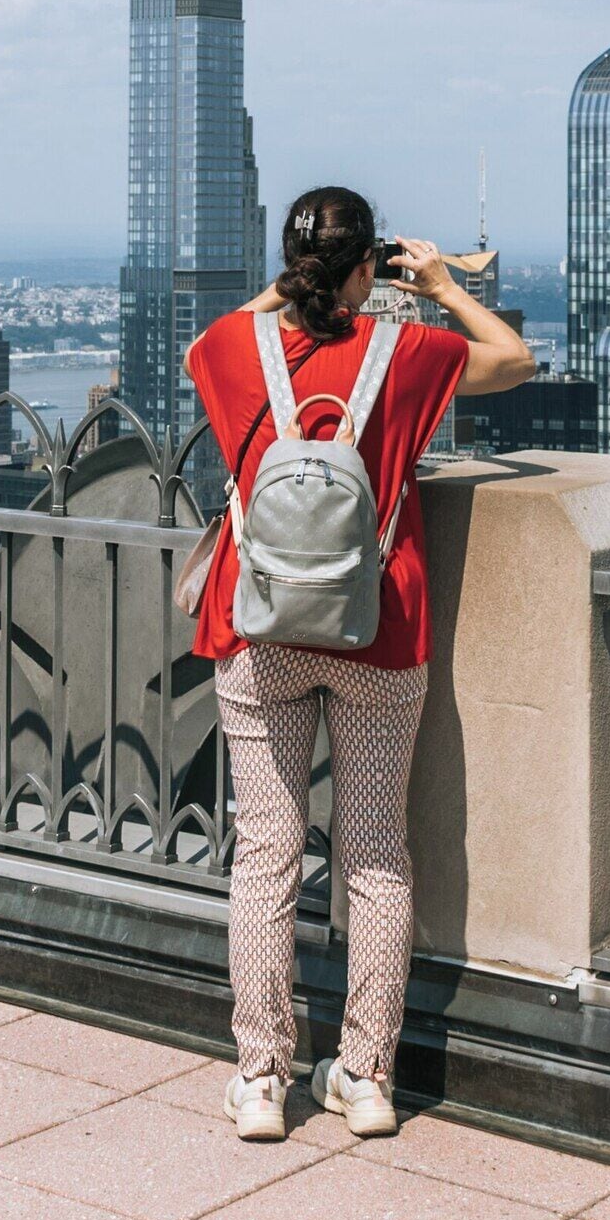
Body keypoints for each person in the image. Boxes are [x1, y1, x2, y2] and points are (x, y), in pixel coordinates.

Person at [185, 185, 534, 1141]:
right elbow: (515, 359)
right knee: (376, 853)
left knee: (266, 855)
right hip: (378, 627)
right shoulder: (410, 351)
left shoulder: (232, 350)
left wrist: (297, 285)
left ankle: (262, 1078)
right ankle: (367, 1075)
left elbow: (209, 339)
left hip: (258, 629)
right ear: (367, 266)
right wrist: (433, 285)